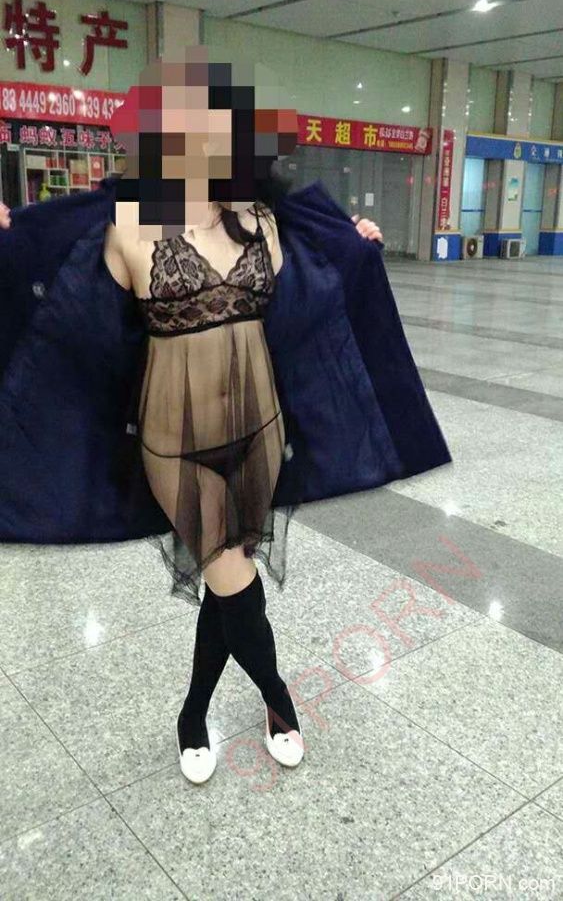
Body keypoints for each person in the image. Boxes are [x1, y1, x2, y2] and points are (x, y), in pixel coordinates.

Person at [0, 49, 385, 785]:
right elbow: (51, 291)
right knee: (235, 577)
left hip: (261, 432)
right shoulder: (125, 221)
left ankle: (193, 710)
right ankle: (278, 698)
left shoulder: (262, 217)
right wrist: (10, 236)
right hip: (175, 444)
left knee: (222, 578)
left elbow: (320, 286)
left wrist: (357, 240)